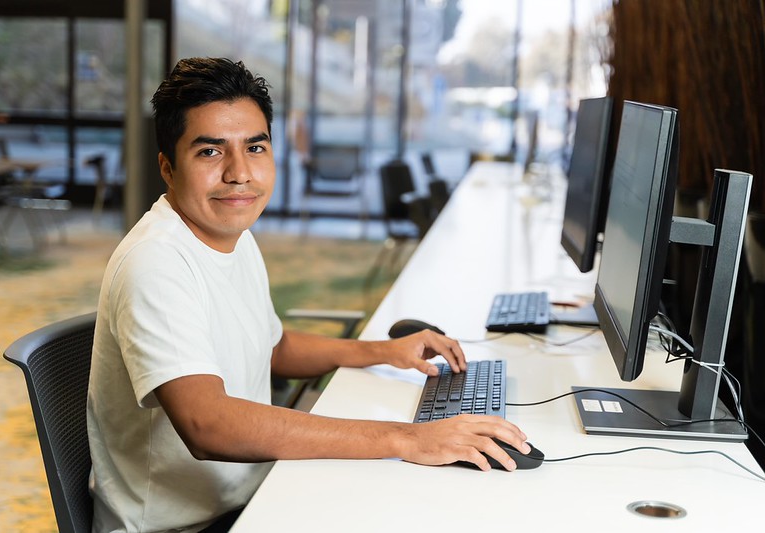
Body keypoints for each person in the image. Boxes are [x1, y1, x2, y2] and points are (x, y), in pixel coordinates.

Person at [87, 57, 531, 533]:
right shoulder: (156, 262)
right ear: (168, 169)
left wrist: (383, 352)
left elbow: (273, 346)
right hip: (185, 526)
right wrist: (408, 438)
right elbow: (207, 425)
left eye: (254, 147)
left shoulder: (231, 236)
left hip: (252, 495)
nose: (240, 173)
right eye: (211, 153)